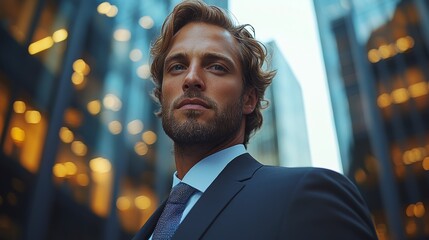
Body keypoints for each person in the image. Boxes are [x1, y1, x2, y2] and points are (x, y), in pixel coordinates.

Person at [133, 0, 378, 239]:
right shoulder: (151, 227)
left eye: (216, 66)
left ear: (249, 99)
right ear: (161, 93)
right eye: (177, 67)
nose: (191, 78)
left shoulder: (310, 196)